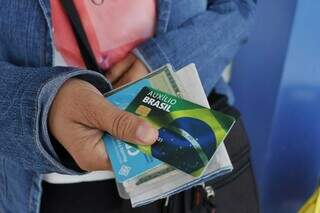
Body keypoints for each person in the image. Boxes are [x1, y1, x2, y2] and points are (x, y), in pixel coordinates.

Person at [0, 0, 256, 212]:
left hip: (190, 160)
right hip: (50, 181)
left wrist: (170, 58)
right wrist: (44, 109)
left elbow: (240, 6)